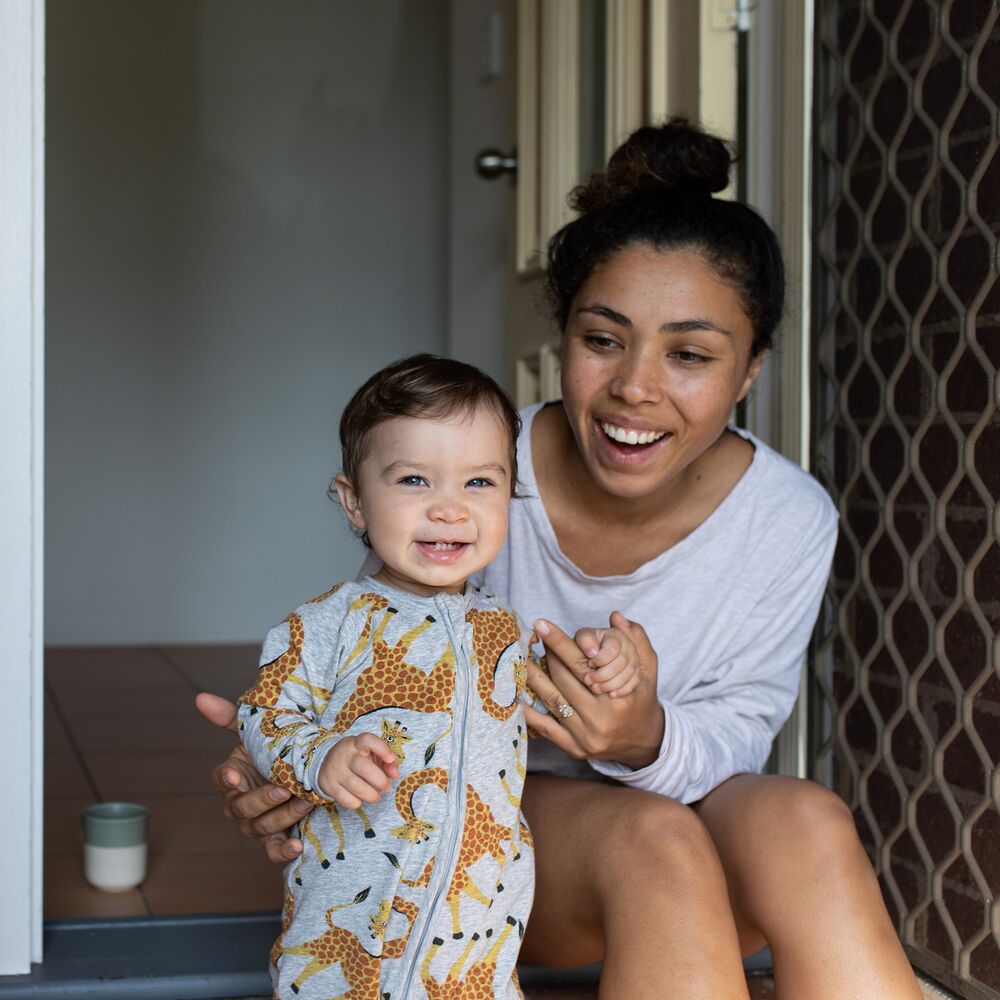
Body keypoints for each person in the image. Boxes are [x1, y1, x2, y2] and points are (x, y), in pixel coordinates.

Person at [198, 119, 922, 998]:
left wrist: (642, 734)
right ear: (564, 336)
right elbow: (373, 654)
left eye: (690, 354)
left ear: (752, 371)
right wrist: (290, 764)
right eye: (603, 339)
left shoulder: (787, 517)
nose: (635, 389)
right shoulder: (478, 481)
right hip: (494, 853)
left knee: (806, 815)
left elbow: (740, 726)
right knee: (657, 836)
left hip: (696, 841)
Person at [231, 354, 639, 999]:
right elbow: (263, 715)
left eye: (479, 483)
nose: (450, 510)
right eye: (416, 479)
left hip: (478, 920)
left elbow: (555, 707)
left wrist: (600, 667)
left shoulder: (501, 628)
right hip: (355, 922)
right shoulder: (326, 625)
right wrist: (321, 756)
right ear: (355, 501)